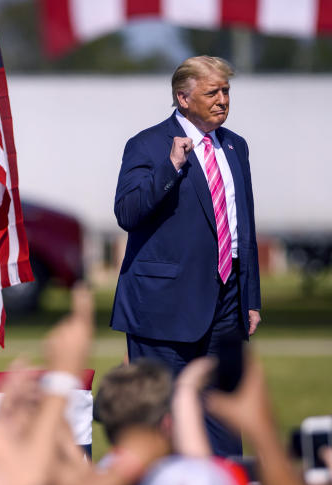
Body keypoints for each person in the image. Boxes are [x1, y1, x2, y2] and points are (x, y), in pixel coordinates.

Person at [110, 55, 261, 457]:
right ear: (183, 97)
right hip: (163, 309)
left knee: (224, 414)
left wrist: (251, 297)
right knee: (164, 417)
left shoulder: (235, 146)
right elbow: (127, 213)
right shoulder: (148, 144)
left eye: (226, 90)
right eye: (212, 92)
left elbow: (242, 224)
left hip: (226, 305)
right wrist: (171, 166)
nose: (222, 100)